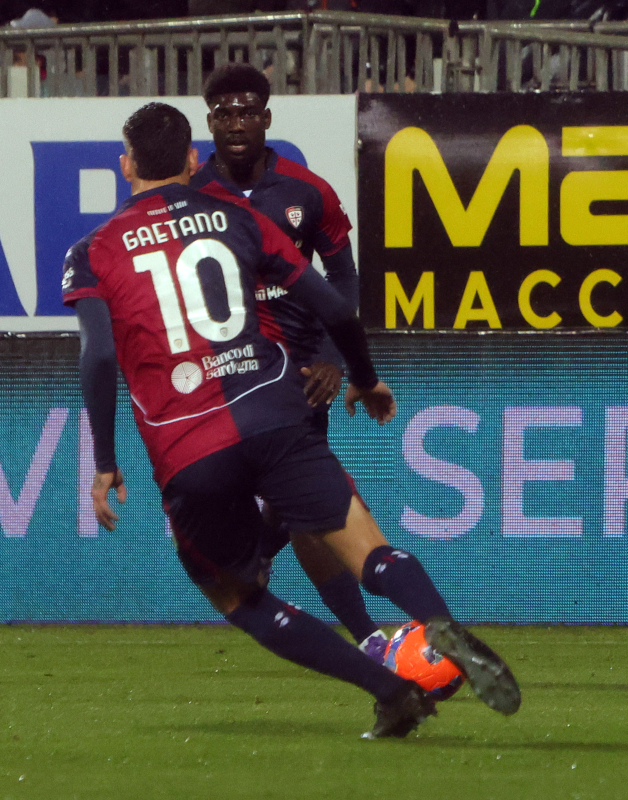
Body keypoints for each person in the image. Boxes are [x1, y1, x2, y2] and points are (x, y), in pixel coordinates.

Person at [64, 102, 521, 737]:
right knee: (373, 554)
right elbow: (333, 304)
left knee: (243, 600)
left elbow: (99, 356)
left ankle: (390, 691)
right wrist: (362, 375)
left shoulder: (94, 250)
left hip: (190, 446)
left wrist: (106, 460)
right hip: (277, 416)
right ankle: (439, 626)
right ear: (194, 161)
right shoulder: (237, 217)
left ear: (126, 165)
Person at [190, 63, 393, 663]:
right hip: (226, 372)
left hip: (301, 373)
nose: (237, 121)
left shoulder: (309, 191)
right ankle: (265, 550)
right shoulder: (193, 198)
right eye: (224, 112)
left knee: (306, 509)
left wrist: (334, 357)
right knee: (295, 506)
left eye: (248, 110)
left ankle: (370, 639)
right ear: (210, 121)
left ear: (267, 118)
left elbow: (346, 276)